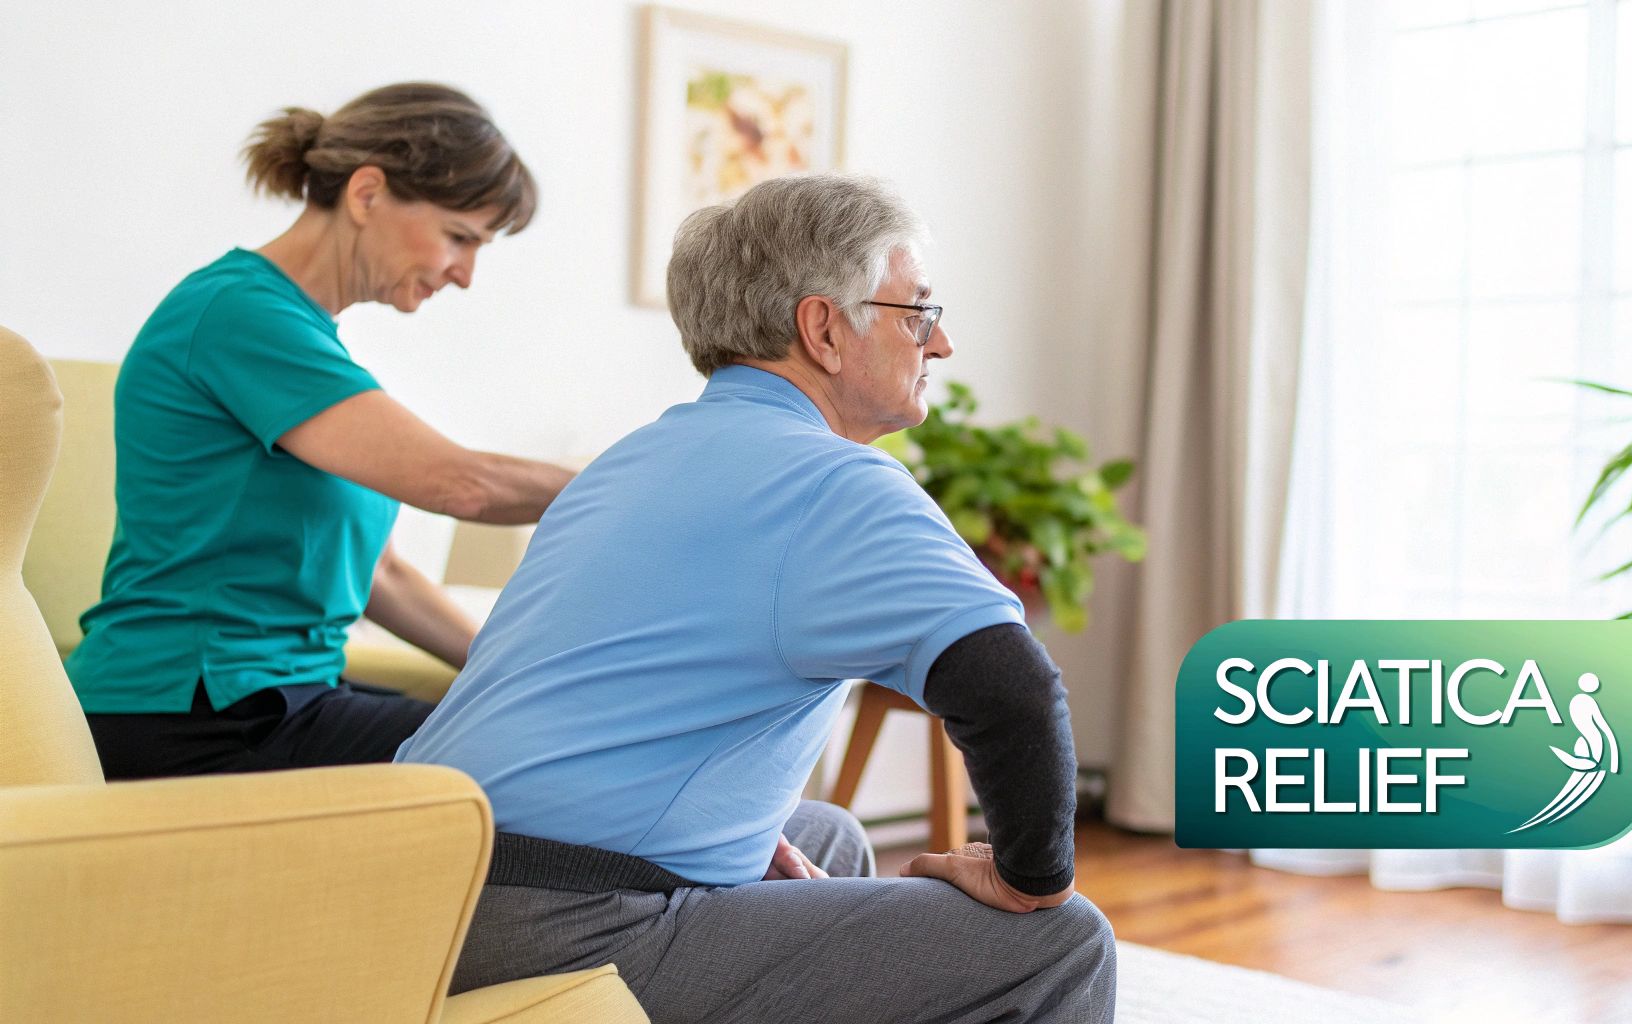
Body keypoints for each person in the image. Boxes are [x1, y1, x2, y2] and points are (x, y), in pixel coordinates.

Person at [395, 173, 1117, 1022]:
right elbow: (1015, 693)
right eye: (919, 312)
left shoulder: (627, 461)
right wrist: (1031, 879)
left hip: (421, 878)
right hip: (566, 919)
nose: (942, 343)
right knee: (1062, 939)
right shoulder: (834, 483)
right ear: (824, 330)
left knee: (825, 836)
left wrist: (725, 823)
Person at [70, 83, 576, 779]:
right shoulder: (238, 314)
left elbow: (382, 577)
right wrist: (637, 483)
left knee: (547, 732)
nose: (464, 275)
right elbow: (460, 484)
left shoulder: (304, 342)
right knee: (553, 759)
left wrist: (514, 669)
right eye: (460, 237)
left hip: (274, 701)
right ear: (366, 194)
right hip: (191, 714)